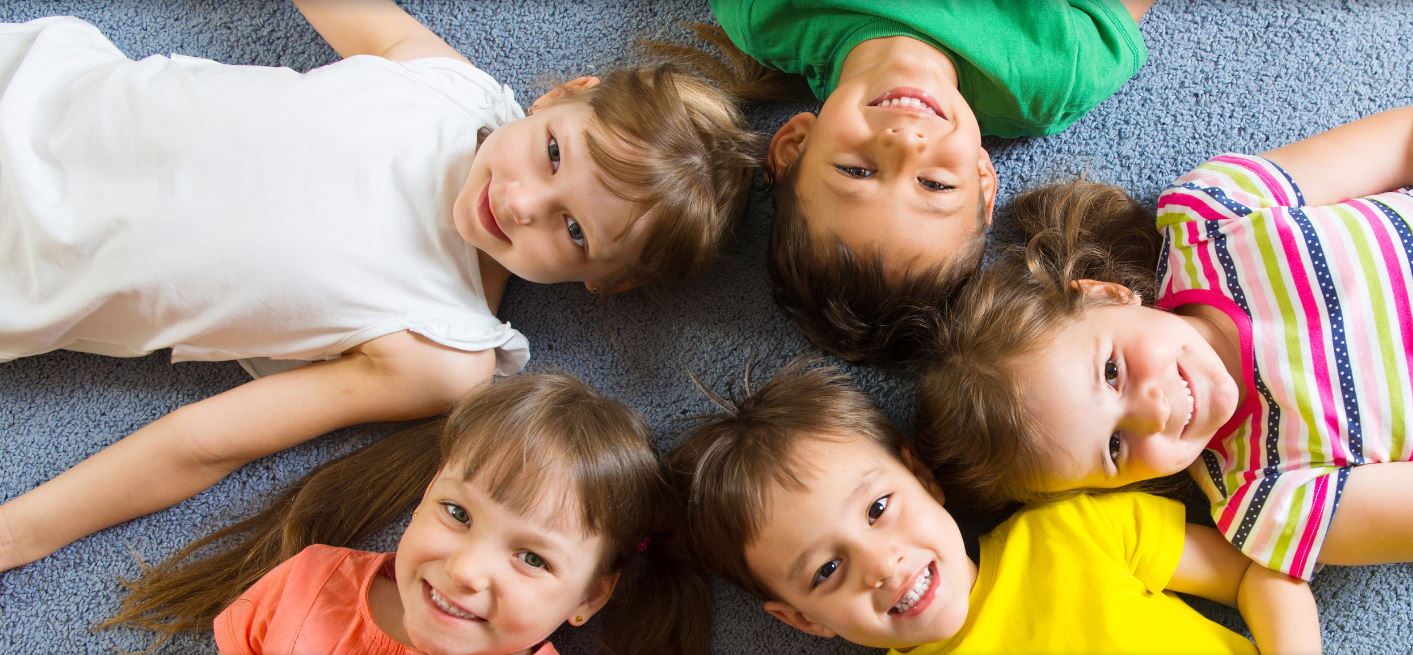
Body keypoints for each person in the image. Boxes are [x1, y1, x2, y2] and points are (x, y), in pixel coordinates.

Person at [0, 0, 759, 574]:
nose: (522, 202)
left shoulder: (442, 348)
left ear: (607, 281)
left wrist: (21, 533)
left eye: (573, 231)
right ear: (562, 94)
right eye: (553, 153)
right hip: (32, 84)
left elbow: (203, 443)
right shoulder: (448, 85)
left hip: (25, 268)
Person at [918, 104, 1413, 588]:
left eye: (1114, 370)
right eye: (1117, 448)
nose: (1153, 411)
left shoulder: (1213, 218)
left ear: (1104, 293)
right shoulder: (1268, 497)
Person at [669, 357, 1318, 654]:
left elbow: (1260, 569)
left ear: (922, 476)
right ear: (805, 621)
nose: (882, 564)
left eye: (878, 509)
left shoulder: (1075, 527)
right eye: (827, 570)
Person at [102, 373, 707, 655]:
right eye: (457, 513)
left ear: (589, 598)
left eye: (531, 557)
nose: (465, 569)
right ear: (425, 495)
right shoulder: (310, 582)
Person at [707, 0, 1155, 365]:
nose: (905, 144)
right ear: (982, 180)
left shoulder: (764, 13)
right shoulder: (1052, 74)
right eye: (935, 184)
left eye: (856, 171)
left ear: (794, 147)